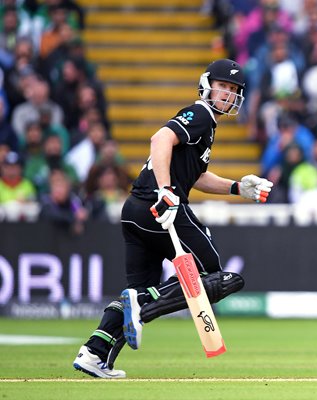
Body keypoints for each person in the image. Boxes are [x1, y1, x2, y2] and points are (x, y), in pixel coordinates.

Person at [72, 59, 273, 378]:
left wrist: (236, 187)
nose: (229, 95)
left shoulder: (206, 125)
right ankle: (144, 306)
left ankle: (94, 353)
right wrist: (166, 191)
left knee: (138, 291)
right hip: (160, 206)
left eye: (234, 90)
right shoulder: (200, 115)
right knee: (216, 274)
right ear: (207, 85)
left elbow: (196, 175)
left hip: (136, 210)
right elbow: (160, 139)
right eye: (223, 87)